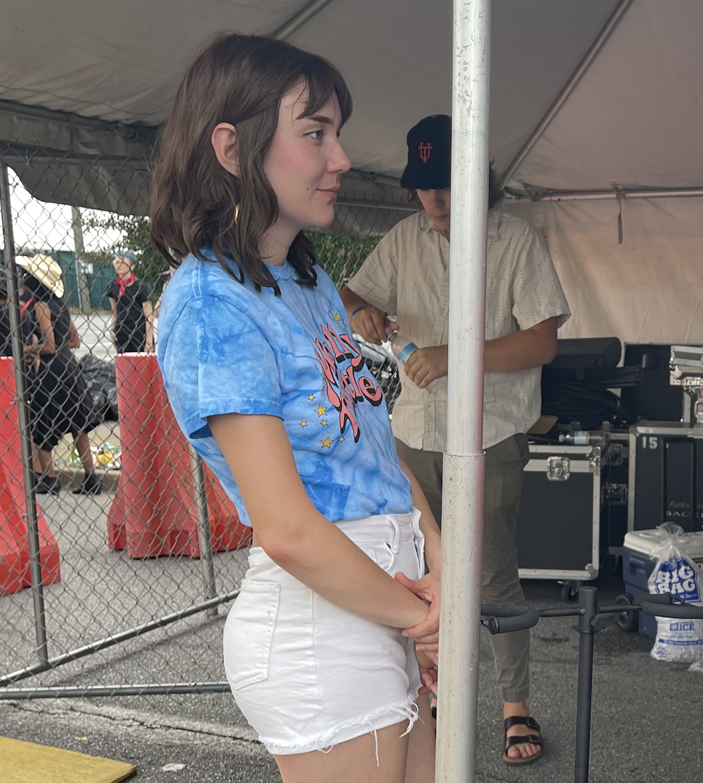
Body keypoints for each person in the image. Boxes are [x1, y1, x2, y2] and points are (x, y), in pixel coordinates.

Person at [149, 34, 440, 783]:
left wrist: (439, 566)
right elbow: (283, 527)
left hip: (385, 609)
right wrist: (424, 617)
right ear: (231, 145)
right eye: (315, 133)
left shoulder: (305, 282)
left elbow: (373, 450)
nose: (340, 158)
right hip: (325, 632)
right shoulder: (211, 302)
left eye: (335, 133)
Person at [340, 114, 570, 765]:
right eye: (423, 186)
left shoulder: (516, 239)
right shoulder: (405, 238)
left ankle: (513, 706)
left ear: (478, 180)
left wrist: (452, 355)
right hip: (416, 433)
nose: (434, 200)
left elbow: (543, 341)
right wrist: (360, 309)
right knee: (421, 572)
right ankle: (436, 694)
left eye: (446, 184)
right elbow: (353, 294)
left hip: (490, 432)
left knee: (491, 571)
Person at [15, 254, 103, 496]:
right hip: (70, 368)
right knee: (78, 424)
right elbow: (73, 340)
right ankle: (91, 477)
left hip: (50, 372)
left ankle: (49, 478)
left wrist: (26, 349)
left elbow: (50, 346)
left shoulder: (41, 306)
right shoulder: (61, 305)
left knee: (42, 422)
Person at [105, 251, 155, 354]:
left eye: (122, 262)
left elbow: (149, 315)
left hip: (140, 334)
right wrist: (111, 330)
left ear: (131, 267)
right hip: (122, 333)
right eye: (116, 262)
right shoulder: (112, 286)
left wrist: (149, 341)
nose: (118, 265)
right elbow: (115, 312)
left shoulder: (140, 287)